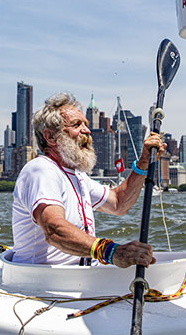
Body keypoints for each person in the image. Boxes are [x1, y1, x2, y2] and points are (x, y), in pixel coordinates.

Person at [11, 92, 163, 267]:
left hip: (81, 278)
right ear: (51, 137)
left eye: (86, 124)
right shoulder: (42, 169)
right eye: (77, 125)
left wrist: (143, 163)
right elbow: (54, 230)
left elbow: (118, 203)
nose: (87, 131)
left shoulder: (77, 176)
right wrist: (111, 251)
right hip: (42, 282)